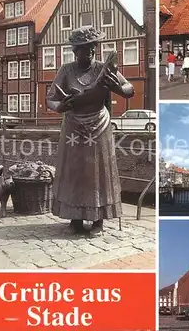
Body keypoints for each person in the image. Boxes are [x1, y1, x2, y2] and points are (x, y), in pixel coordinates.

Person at [46, 26, 134, 235]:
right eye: (86, 48)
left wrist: (119, 89)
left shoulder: (103, 67)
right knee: (75, 172)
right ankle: (75, 218)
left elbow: (129, 89)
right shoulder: (66, 70)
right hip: (74, 125)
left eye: (93, 47)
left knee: (99, 172)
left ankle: (98, 220)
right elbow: (50, 97)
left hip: (99, 125)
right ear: (75, 51)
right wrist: (59, 106)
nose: (91, 51)